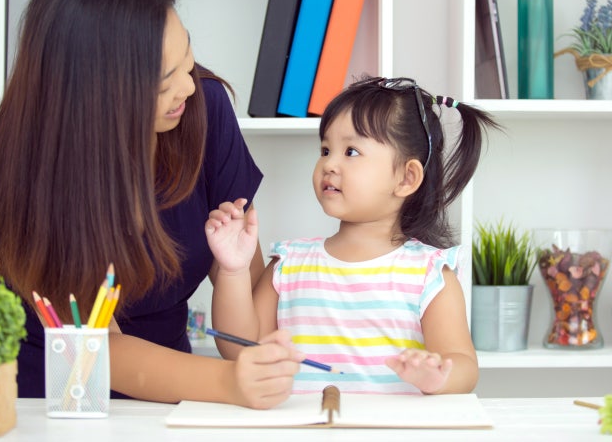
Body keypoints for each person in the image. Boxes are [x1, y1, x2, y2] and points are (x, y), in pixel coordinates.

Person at [0, 0, 303, 408]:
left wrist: (258, 357)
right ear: (97, 98)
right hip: (47, 399)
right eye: (164, 82)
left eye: (187, 56)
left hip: (171, 391)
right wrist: (230, 382)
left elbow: (243, 296)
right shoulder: (35, 179)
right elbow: (99, 348)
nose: (189, 87)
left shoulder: (201, 109)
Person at [205, 76, 499, 394]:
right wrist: (233, 270)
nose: (329, 164)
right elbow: (240, 349)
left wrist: (437, 376)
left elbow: (464, 367)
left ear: (406, 178)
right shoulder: (288, 265)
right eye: (325, 149)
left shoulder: (430, 275)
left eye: (351, 152)